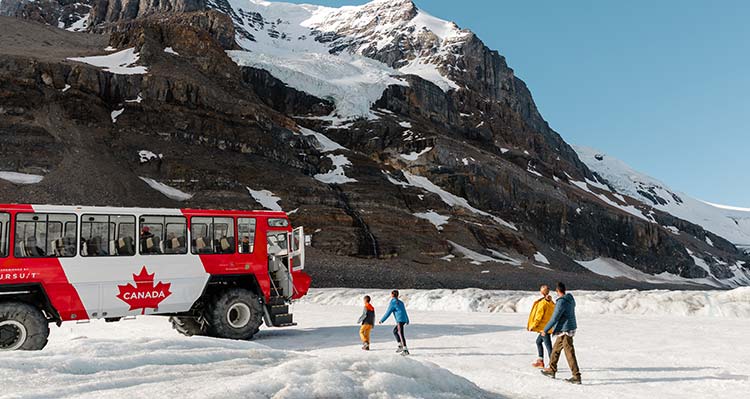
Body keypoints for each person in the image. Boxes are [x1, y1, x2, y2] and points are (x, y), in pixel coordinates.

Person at [540, 282, 582, 385]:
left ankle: (576, 376)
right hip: (567, 328)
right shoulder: (570, 299)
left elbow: (554, 318)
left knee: (569, 353)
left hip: (565, 330)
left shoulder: (561, 302)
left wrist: (545, 330)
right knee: (555, 350)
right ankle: (551, 370)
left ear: (557, 291)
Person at [527, 284, 555, 368]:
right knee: (538, 342)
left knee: (548, 346)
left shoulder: (543, 303)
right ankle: (540, 361)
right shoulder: (551, 302)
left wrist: (533, 325)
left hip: (544, 328)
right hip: (549, 327)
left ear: (542, 292)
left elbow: (539, 316)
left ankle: (552, 365)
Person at [379, 290, 410, 356]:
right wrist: (407, 319)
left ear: (392, 295)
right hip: (403, 319)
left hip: (400, 320)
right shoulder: (401, 302)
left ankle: (405, 350)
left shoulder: (393, 302)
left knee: (401, 334)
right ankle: (400, 345)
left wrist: (382, 320)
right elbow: (404, 311)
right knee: (395, 331)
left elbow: (388, 312)